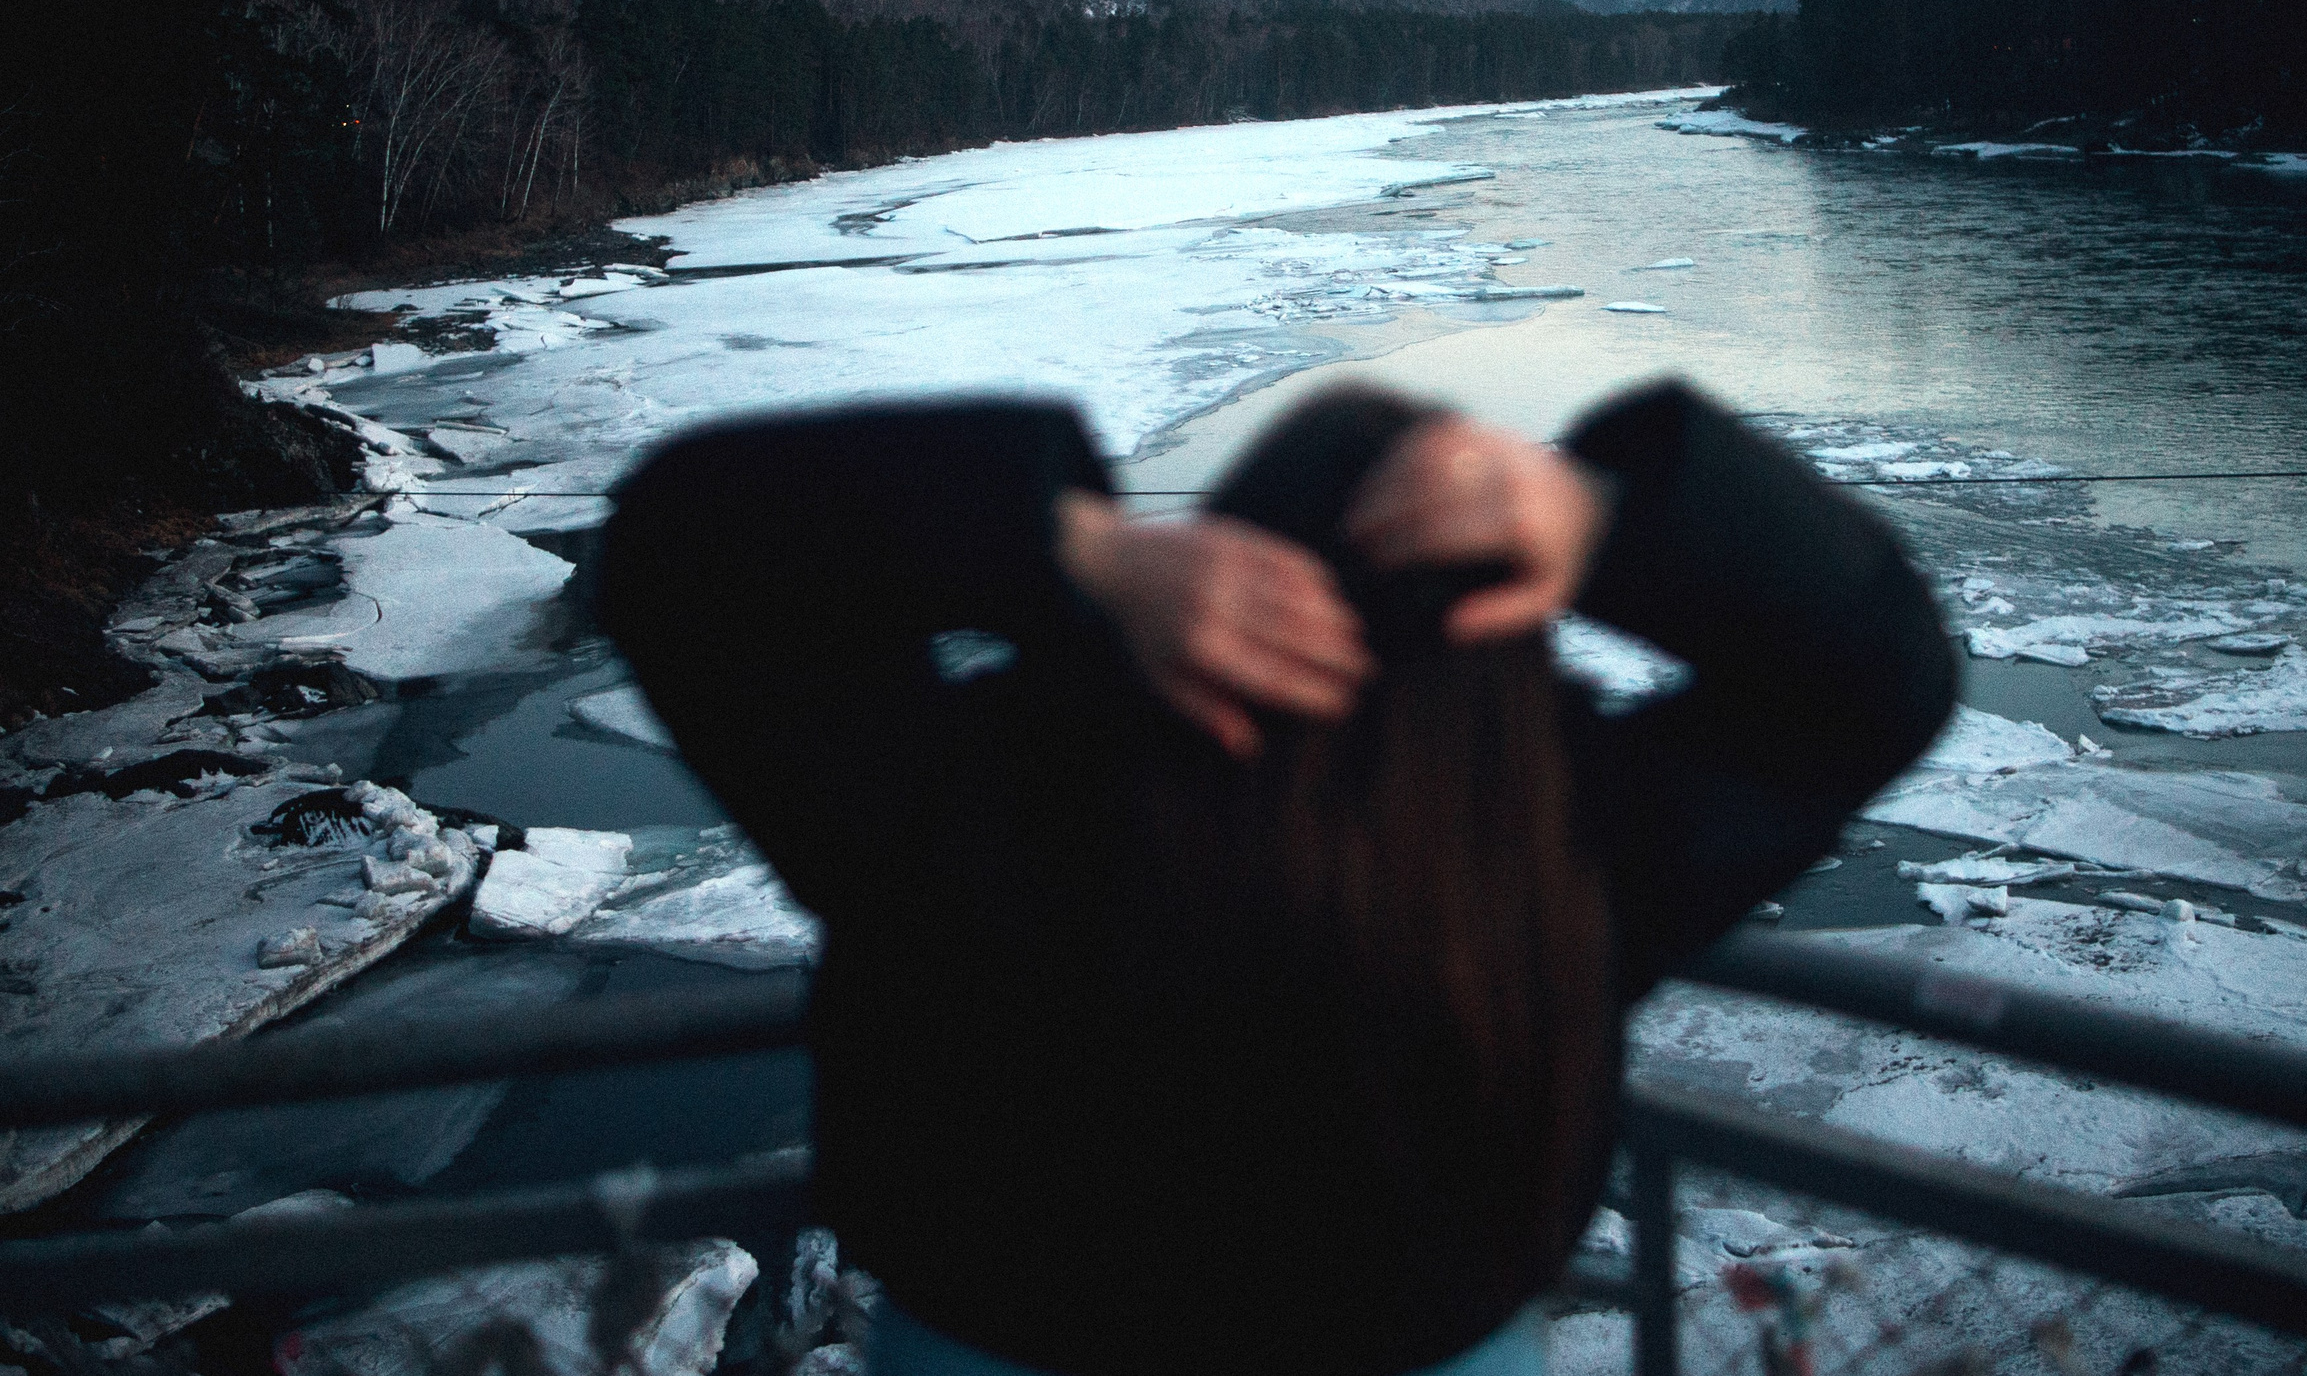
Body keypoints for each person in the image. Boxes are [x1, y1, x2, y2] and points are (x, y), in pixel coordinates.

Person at [596, 379, 1956, 1376]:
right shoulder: (1552, 841)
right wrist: (1600, 515)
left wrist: (1068, 547)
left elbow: (675, 547)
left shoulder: (981, 802)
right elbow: (1879, 675)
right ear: (1492, 621)